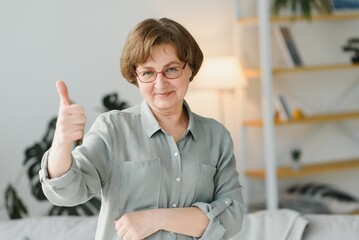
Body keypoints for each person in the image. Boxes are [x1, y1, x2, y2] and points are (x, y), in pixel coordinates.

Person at [39, 17, 245, 240]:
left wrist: (157, 218)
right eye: (148, 73)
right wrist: (61, 141)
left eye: (171, 69)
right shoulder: (113, 129)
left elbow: (232, 217)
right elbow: (67, 193)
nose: (160, 83)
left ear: (190, 69)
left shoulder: (217, 136)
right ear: (136, 77)